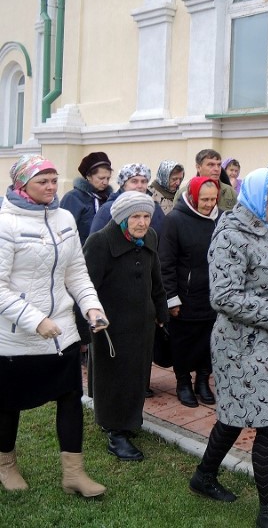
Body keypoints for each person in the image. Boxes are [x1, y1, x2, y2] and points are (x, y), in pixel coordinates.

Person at [188, 169, 268, 528]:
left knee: (234, 417)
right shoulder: (231, 234)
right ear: (259, 199)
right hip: (241, 347)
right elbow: (224, 297)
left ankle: (204, 476)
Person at [0, 155, 107, 497]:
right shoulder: (6, 223)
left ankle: (74, 473)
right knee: (8, 404)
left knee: (70, 398)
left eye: (53, 179)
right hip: (16, 337)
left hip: (62, 333)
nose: (50, 187)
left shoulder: (64, 218)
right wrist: (35, 320)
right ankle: (5, 464)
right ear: (22, 185)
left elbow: (76, 271)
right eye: (42, 181)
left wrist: (91, 307)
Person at [84, 192, 169, 461]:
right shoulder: (100, 242)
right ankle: (114, 431)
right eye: (135, 217)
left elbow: (156, 277)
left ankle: (129, 420)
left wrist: (161, 310)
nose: (142, 223)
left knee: (137, 374)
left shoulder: (149, 237)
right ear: (122, 218)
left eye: (146, 216)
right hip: (110, 326)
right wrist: (88, 323)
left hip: (142, 322)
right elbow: (86, 287)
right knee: (113, 377)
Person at [158, 177, 221, 408]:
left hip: (213, 295)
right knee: (183, 343)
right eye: (204, 199)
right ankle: (183, 382)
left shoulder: (221, 219)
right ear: (193, 197)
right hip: (186, 296)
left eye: (213, 199)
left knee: (209, 341)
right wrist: (171, 298)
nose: (209, 204)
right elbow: (166, 262)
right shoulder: (175, 220)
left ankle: (202, 381)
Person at [90, 163, 166, 236]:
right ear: (123, 184)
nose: (140, 186)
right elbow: (95, 241)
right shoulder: (108, 209)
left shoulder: (155, 208)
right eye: (134, 181)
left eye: (143, 181)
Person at [60, 151, 114, 244]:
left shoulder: (109, 199)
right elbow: (64, 230)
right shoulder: (73, 198)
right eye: (101, 178)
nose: (105, 182)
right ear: (89, 176)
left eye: (108, 178)